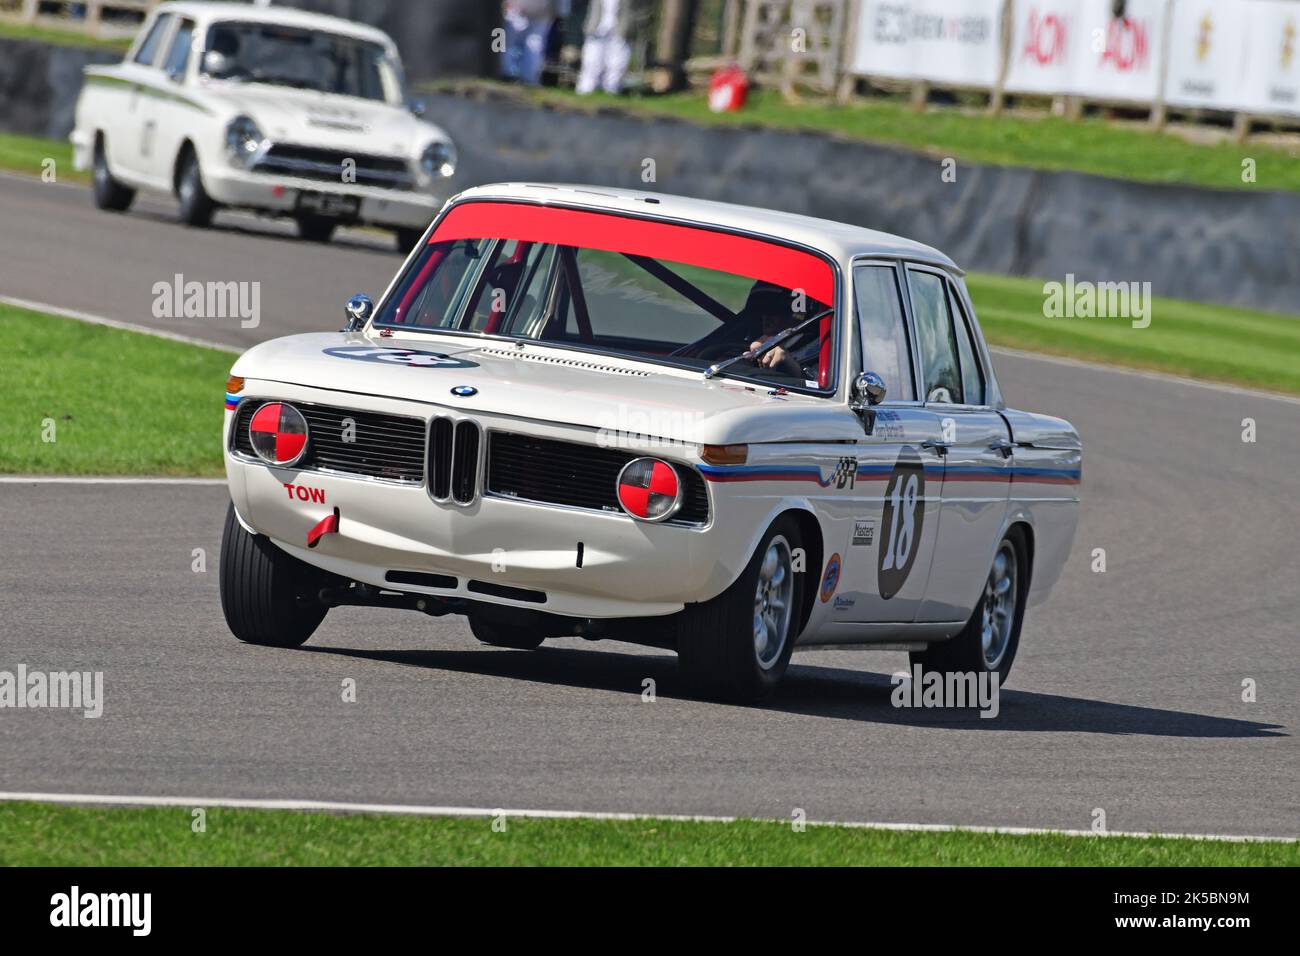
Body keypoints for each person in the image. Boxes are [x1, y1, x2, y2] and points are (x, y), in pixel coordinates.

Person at [576, 0, 648, 95]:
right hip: (597, 29)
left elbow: (640, 10)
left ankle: (611, 91)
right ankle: (586, 90)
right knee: (591, 62)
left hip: (621, 31)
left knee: (617, 64)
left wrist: (633, 25)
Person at [502, 0, 555, 86]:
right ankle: (528, 77)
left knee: (509, 42)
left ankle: (507, 73)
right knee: (533, 44)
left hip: (518, 7)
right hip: (542, 8)